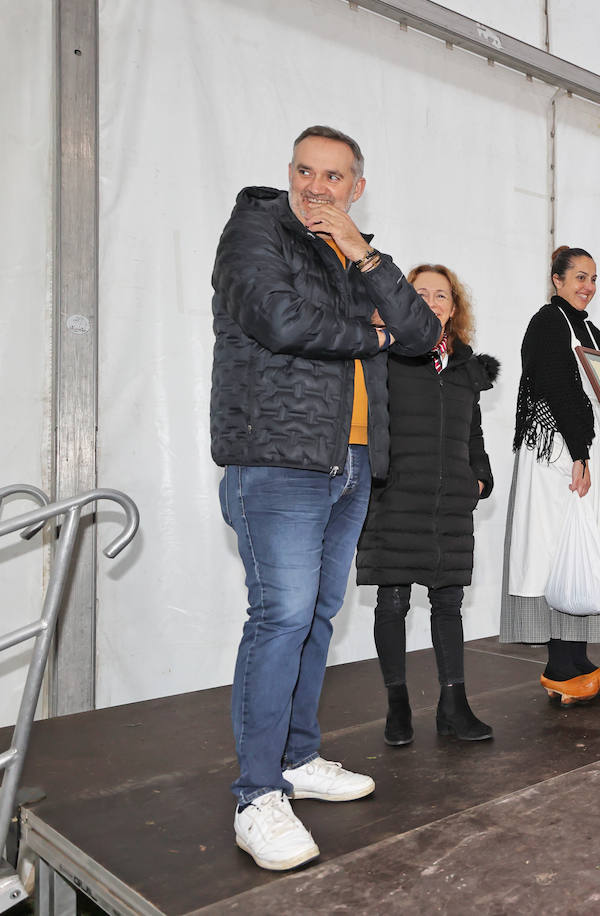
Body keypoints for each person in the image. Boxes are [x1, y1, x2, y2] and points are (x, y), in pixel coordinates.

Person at [211, 126, 441, 870]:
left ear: (356, 187)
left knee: (316, 614)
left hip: (348, 465)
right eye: (305, 171)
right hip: (276, 458)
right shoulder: (256, 227)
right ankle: (256, 794)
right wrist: (368, 331)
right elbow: (278, 319)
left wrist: (367, 261)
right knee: (279, 615)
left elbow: (423, 334)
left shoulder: (360, 253)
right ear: (289, 174)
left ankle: (297, 758)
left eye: (334, 177)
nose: (317, 186)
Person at [356, 264, 498, 746]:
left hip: (449, 503)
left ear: (454, 308)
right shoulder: (387, 354)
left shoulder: (464, 365)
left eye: (442, 295)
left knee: (449, 602)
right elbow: (369, 422)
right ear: (404, 301)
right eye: (422, 294)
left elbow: (472, 431)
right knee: (392, 600)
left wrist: (479, 477)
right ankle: (397, 707)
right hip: (397, 495)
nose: (433, 302)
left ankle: (453, 706)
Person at [501, 247, 600, 705]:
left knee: (587, 547)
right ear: (557, 280)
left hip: (586, 448)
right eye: (580, 277)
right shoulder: (547, 323)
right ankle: (557, 664)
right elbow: (557, 389)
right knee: (558, 547)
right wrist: (580, 453)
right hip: (558, 453)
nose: (588, 286)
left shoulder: (589, 328)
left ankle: (576, 656)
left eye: (594, 278)